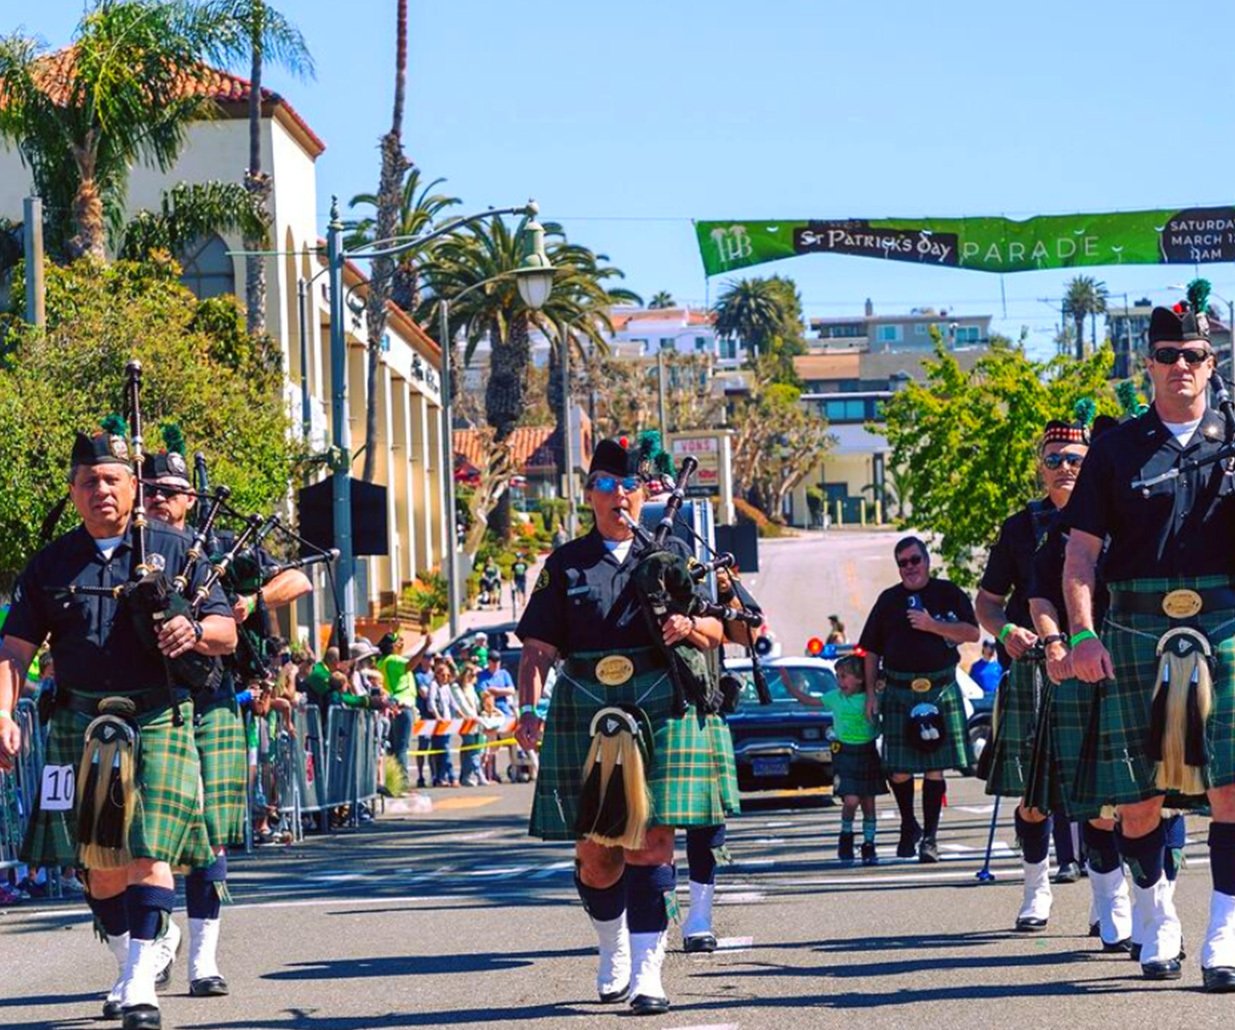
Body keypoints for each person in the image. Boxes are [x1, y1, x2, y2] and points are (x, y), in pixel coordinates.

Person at [0, 417, 237, 1030]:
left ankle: (138, 986)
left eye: (111, 479)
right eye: (88, 482)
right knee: (99, 868)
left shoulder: (177, 548)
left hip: (157, 714)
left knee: (148, 851)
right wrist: (3, 711)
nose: (100, 490)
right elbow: (15, 649)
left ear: (132, 485)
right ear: (73, 492)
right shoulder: (51, 563)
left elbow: (225, 630)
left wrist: (193, 629)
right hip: (81, 717)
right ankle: (143, 948)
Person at [514, 438, 727, 1015]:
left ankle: (648, 971)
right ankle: (611, 948)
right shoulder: (564, 565)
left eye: (627, 484)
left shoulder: (672, 552)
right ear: (589, 495)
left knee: (652, 841)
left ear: (644, 490)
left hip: (660, 703)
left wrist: (689, 625)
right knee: (597, 855)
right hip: (588, 707)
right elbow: (536, 649)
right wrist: (529, 709)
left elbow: (721, 632)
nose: (617, 495)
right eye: (605, 485)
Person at [1063, 288, 1233, 987]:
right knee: (1138, 800)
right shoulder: (1113, 450)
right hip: (1133, 622)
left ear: (1209, 360)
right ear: (1148, 363)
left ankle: (1223, 927)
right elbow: (1078, 556)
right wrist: (1079, 632)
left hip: (1224, 620)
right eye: (1166, 355)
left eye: (1192, 355)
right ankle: (1154, 908)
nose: (1180, 366)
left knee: (1230, 787)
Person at [142, 430, 312, 999]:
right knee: (157, 837)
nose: (159, 500)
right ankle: (160, 940)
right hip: (151, 702)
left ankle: (203, 960)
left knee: (211, 831)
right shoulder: (128, 550)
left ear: (190, 498)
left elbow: (300, 577)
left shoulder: (220, 550)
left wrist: (251, 602)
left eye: (170, 491)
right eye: (150, 490)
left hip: (213, 696)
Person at [858, 536, 980, 863]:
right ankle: (908, 825)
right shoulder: (888, 600)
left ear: (926, 560)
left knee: (935, 769)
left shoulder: (947, 593)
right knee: (897, 769)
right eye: (903, 563)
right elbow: (870, 650)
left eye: (914, 560)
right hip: (898, 688)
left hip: (940, 687)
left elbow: (972, 633)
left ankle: (930, 838)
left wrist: (932, 625)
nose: (909, 568)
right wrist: (870, 693)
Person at [819, 653, 886, 864]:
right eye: (838, 677)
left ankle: (869, 844)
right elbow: (809, 700)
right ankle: (845, 836)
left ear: (859, 679)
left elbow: (884, 702)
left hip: (867, 751)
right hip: (845, 752)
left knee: (868, 802)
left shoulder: (872, 697)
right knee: (851, 800)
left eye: (844, 676)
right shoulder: (835, 698)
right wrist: (788, 683)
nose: (840, 682)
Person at [377, 630, 431, 789]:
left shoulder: (382, 662)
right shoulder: (393, 660)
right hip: (402, 706)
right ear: (392, 646)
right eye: (398, 642)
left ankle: (393, 783)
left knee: (393, 748)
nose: (401, 643)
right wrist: (425, 647)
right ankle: (402, 784)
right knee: (401, 748)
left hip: (392, 707)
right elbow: (410, 665)